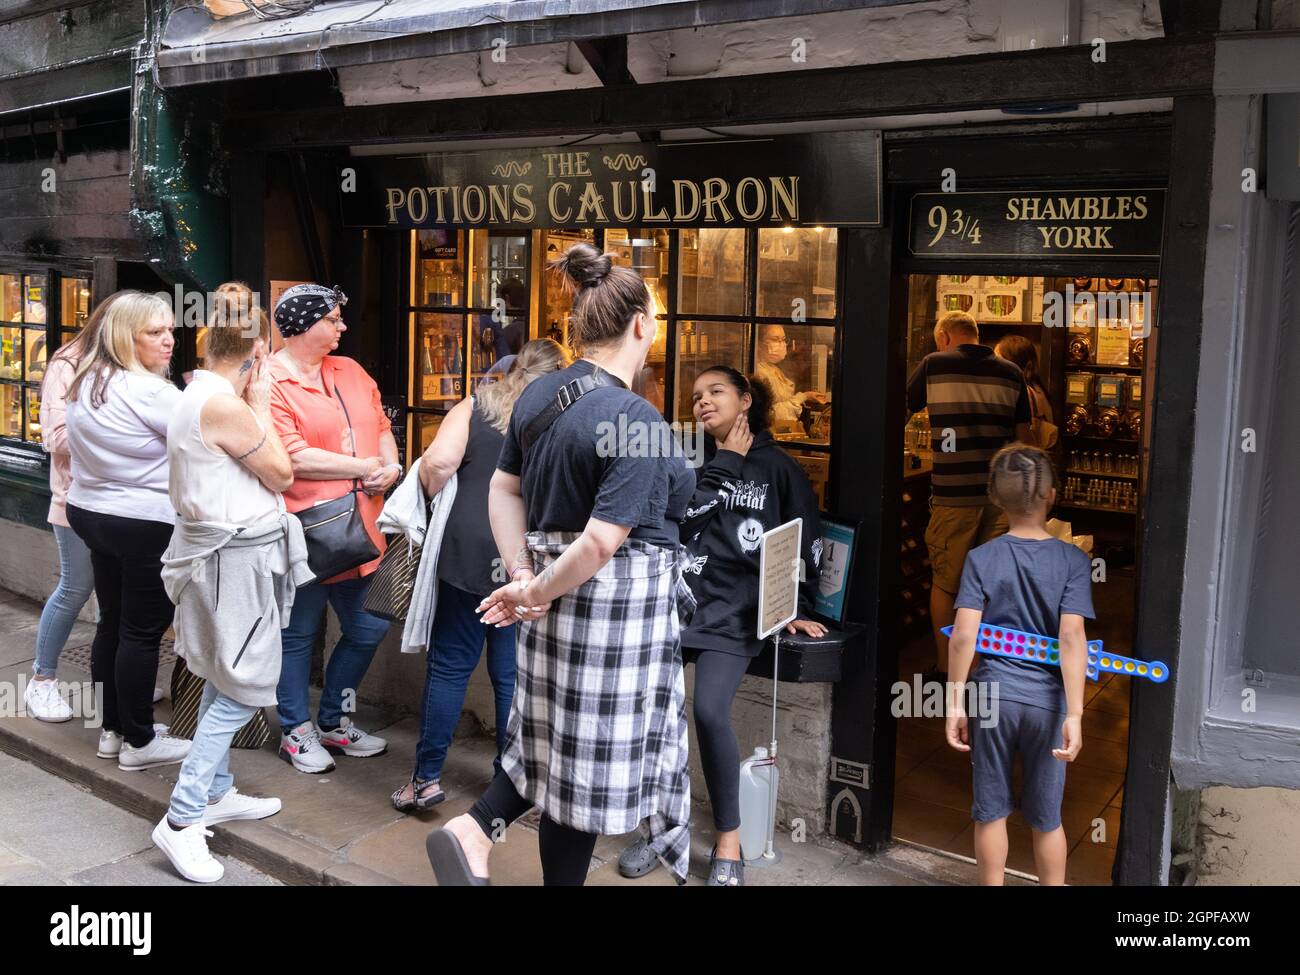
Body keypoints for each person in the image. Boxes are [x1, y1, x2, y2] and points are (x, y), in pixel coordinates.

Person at [426, 242, 696, 886]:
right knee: (585, 770)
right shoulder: (637, 418)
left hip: (554, 605)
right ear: (640, 324)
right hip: (611, 613)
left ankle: (474, 831)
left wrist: (524, 575)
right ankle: (477, 833)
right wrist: (532, 587)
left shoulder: (542, 391)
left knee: (556, 754)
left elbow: (501, 489)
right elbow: (603, 541)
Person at [617, 366, 826, 886]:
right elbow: (680, 520)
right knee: (651, 716)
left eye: (715, 393)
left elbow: (806, 542)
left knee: (709, 711)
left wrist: (794, 604)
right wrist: (726, 463)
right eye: (695, 397)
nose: (703, 403)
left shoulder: (780, 468)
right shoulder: (690, 460)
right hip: (678, 602)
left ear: (746, 399)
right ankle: (659, 829)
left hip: (735, 611)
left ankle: (727, 843)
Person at [153, 284, 310, 883]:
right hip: (231, 562)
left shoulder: (198, 394)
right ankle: (181, 819)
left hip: (225, 559)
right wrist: (264, 398)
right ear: (255, 355)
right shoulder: (225, 404)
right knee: (246, 685)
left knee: (226, 673)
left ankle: (216, 791)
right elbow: (282, 471)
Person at [392, 338, 571, 813]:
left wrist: (431, 498)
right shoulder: (560, 418)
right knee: (511, 674)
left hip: (466, 550)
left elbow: (438, 462)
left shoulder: (476, 406)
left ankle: (425, 780)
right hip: (526, 557)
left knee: (450, 667)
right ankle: (510, 785)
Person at [945, 444, 1092, 885]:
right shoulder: (1073, 560)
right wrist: (1075, 713)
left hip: (992, 697)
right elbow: (1071, 637)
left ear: (993, 497)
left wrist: (955, 703)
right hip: (1047, 703)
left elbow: (964, 636)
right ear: (1052, 495)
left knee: (990, 809)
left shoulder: (981, 558)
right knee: (1047, 817)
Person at [268, 284, 400, 773]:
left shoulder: (350, 369)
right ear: (303, 325)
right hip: (304, 531)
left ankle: (334, 721)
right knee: (298, 634)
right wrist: (362, 465)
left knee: (368, 626)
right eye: (334, 319)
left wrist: (390, 465)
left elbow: (381, 422)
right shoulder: (270, 380)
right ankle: (294, 730)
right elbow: (290, 455)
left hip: (363, 529)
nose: (343, 327)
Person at [64, 290, 191, 770]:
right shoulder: (153, 392)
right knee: (141, 632)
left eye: (170, 331)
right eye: (155, 333)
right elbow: (204, 443)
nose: (168, 341)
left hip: (91, 513)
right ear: (125, 337)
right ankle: (140, 741)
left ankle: (113, 731)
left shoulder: (88, 379)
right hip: (143, 523)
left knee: (112, 624)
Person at [905, 311, 1032, 679]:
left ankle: (949, 669)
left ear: (944, 336)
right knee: (989, 587)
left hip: (953, 495)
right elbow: (1023, 440)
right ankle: (983, 667)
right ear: (975, 335)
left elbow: (899, 411)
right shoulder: (1011, 373)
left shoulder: (933, 365)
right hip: (999, 498)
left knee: (946, 584)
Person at [25, 298, 110, 722]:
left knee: (117, 598)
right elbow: (56, 438)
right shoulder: (68, 363)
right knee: (75, 588)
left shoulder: (133, 365)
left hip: (122, 505)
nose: (162, 339)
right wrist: (119, 436)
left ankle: (110, 681)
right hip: (75, 499)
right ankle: (42, 681)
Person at [754, 324, 827, 431]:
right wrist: (803, 397)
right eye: (775, 339)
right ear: (759, 344)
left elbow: (784, 401)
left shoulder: (773, 368)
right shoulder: (759, 372)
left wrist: (807, 396)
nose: (781, 344)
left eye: (783, 340)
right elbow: (770, 413)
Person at [995, 334, 1057, 449]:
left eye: (999, 360)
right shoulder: (1037, 388)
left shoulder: (1025, 392)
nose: (993, 365)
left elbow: (1022, 435)